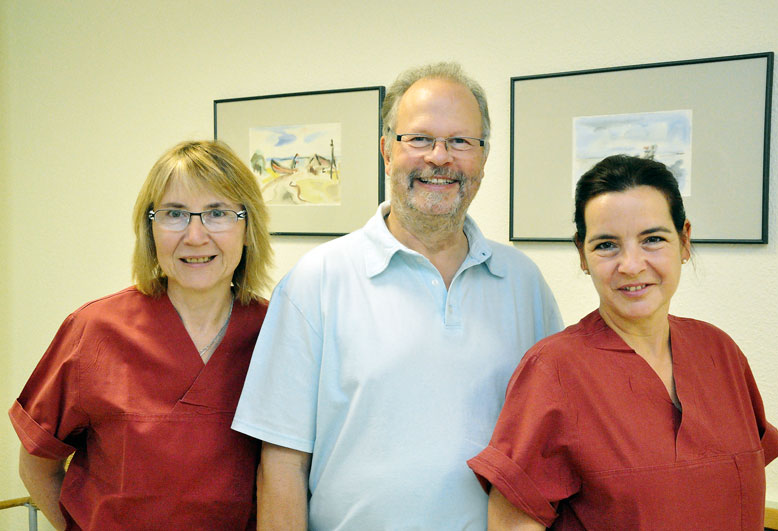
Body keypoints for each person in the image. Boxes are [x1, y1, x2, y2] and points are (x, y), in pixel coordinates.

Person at [232, 62, 563, 529]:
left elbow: (550, 448)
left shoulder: (524, 284)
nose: (440, 158)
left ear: (484, 158)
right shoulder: (317, 281)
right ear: (387, 150)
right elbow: (283, 464)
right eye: (421, 139)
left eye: (461, 142)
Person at [468, 154, 778, 530]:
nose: (631, 265)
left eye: (653, 239)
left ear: (684, 241)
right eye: (607, 245)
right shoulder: (553, 370)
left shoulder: (720, 352)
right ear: (582, 254)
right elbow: (512, 524)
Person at [9, 140, 273, 530]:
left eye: (218, 213)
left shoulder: (277, 332)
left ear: (248, 229)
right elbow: (37, 465)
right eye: (174, 214)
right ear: (150, 230)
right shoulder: (95, 330)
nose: (196, 236)